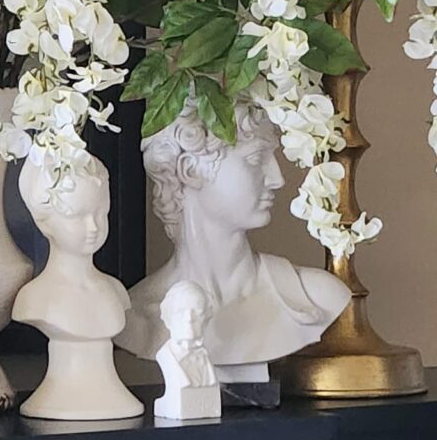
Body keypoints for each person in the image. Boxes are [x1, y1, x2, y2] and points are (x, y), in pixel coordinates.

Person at [117, 102, 351, 383]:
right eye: (256, 159)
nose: (277, 179)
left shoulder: (318, 297)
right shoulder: (132, 317)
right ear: (190, 170)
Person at [13, 156, 143, 420]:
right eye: (76, 216)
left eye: (100, 213)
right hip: (55, 401)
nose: (93, 227)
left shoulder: (115, 291)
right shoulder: (35, 299)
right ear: (44, 221)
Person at [154, 281, 220, 420]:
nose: (189, 319)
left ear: (206, 319)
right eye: (180, 312)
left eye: (198, 312)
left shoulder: (204, 356)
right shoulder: (165, 356)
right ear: (168, 318)